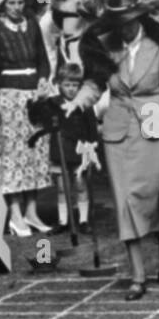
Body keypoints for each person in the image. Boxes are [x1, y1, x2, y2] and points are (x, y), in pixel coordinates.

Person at [78, 0, 159, 300]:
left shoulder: (158, 48)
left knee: (154, 199)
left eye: (129, 20)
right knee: (125, 201)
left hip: (153, 126)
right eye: (118, 22)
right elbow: (94, 84)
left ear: (139, 18)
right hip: (118, 130)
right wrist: (74, 102)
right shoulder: (106, 47)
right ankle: (137, 275)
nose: (124, 27)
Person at [0, 0, 53, 237]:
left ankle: (32, 212)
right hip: (8, 97)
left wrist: (43, 78)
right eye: (11, 2)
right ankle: (15, 214)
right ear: (3, 3)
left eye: (20, 2)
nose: (16, 7)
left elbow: (43, 59)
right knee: (12, 154)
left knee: (34, 152)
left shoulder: (32, 25)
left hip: (34, 96)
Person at [49, 61, 97, 232]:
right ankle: (63, 221)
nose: (70, 89)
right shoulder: (53, 103)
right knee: (62, 188)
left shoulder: (84, 105)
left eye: (74, 85)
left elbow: (92, 129)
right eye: (67, 85)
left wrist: (91, 148)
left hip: (79, 151)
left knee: (80, 185)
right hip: (59, 151)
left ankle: (83, 221)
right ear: (59, 84)